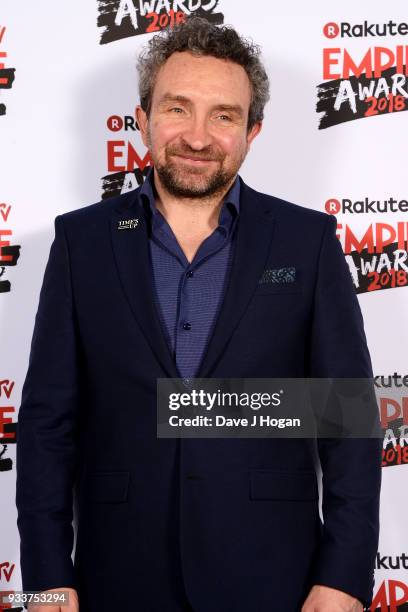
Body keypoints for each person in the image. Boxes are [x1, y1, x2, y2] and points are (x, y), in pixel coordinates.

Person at [16, 16, 382, 612]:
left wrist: (343, 578)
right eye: (177, 108)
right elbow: (45, 426)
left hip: (276, 577)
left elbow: (348, 418)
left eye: (223, 115)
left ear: (252, 130)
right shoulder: (81, 243)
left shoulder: (305, 242)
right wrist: (44, 579)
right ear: (143, 119)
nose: (197, 135)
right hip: (117, 578)